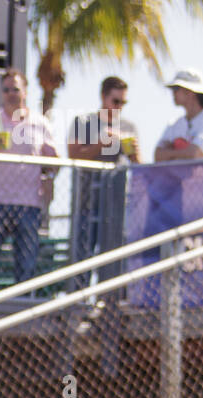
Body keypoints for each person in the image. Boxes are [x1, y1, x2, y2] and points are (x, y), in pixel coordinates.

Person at [0, 69, 58, 293]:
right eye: (6, 90)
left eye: (15, 89)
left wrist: (49, 177)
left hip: (28, 205)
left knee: (26, 266)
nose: (10, 94)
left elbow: (54, 161)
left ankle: (23, 314)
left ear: (25, 91)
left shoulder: (40, 123)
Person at [67, 77, 140, 266]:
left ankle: (110, 297)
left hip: (116, 205)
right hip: (87, 203)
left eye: (123, 102)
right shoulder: (83, 122)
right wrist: (101, 143)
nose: (119, 107)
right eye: (115, 101)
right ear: (103, 97)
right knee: (82, 260)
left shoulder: (129, 127)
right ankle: (79, 295)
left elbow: (138, 165)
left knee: (114, 263)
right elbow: (73, 156)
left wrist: (133, 151)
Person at [154, 69, 203, 162]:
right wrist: (185, 153)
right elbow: (158, 156)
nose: (173, 93)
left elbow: (195, 153)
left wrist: (170, 152)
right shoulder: (174, 124)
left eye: (176, 88)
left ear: (190, 91)